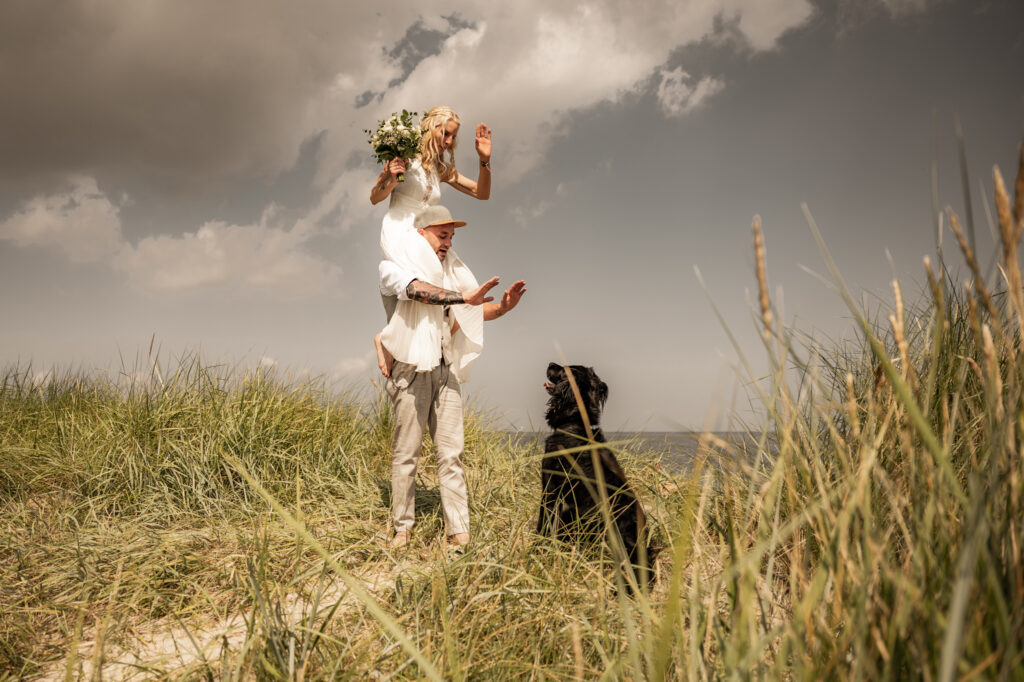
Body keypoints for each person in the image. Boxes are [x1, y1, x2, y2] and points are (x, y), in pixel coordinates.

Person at [377, 205, 526, 549]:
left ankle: (459, 532)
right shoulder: (391, 268)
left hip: (446, 370)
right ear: (420, 234)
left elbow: (470, 309)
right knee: (406, 454)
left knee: (451, 455)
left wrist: (503, 307)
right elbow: (418, 292)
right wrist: (464, 297)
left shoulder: (453, 273)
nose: (448, 242)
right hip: (409, 371)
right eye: (442, 235)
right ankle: (402, 528)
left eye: (451, 237)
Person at [369, 106, 493, 376]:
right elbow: (375, 197)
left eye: (453, 137)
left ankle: (399, 342)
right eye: (446, 134)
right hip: (401, 229)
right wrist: (390, 178)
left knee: (462, 283)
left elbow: (482, 193)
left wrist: (484, 160)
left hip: (428, 233)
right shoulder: (404, 155)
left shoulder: (440, 169)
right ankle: (389, 340)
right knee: (421, 287)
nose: (449, 142)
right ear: (432, 127)